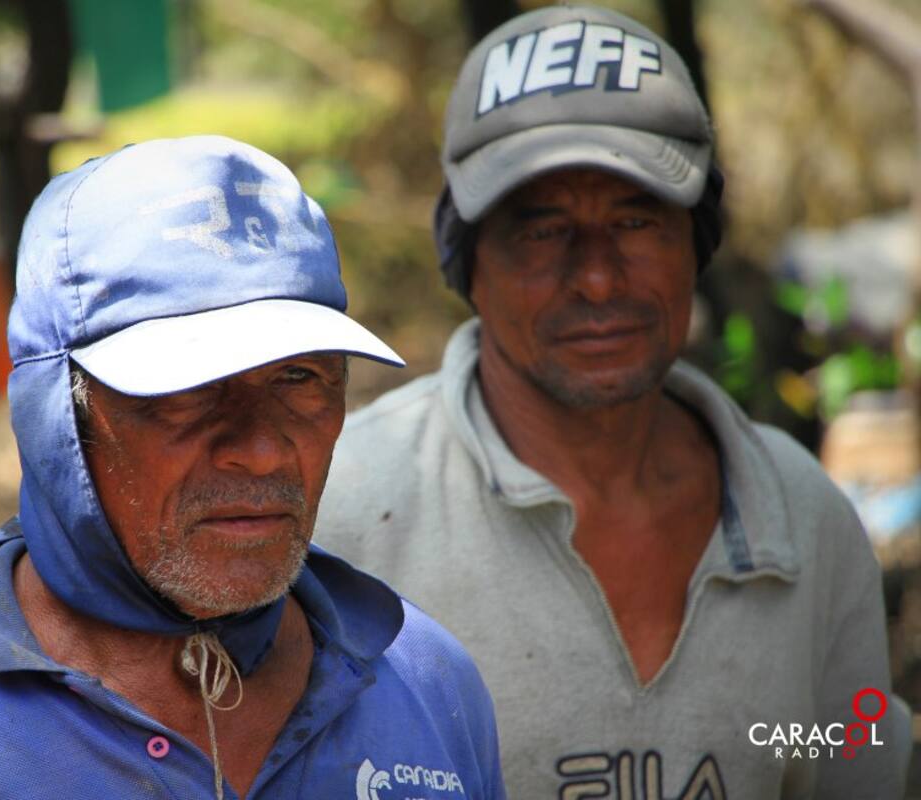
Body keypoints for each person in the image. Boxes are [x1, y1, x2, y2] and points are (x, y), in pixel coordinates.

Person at [0, 135, 504, 799]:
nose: (263, 449)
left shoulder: (428, 684)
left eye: (299, 378)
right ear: (55, 414)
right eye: (187, 393)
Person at [315, 5, 908, 798]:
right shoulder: (342, 515)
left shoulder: (805, 523)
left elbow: (846, 763)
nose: (596, 277)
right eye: (541, 229)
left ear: (696, 245)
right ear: (467, 262)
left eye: (636, 220)